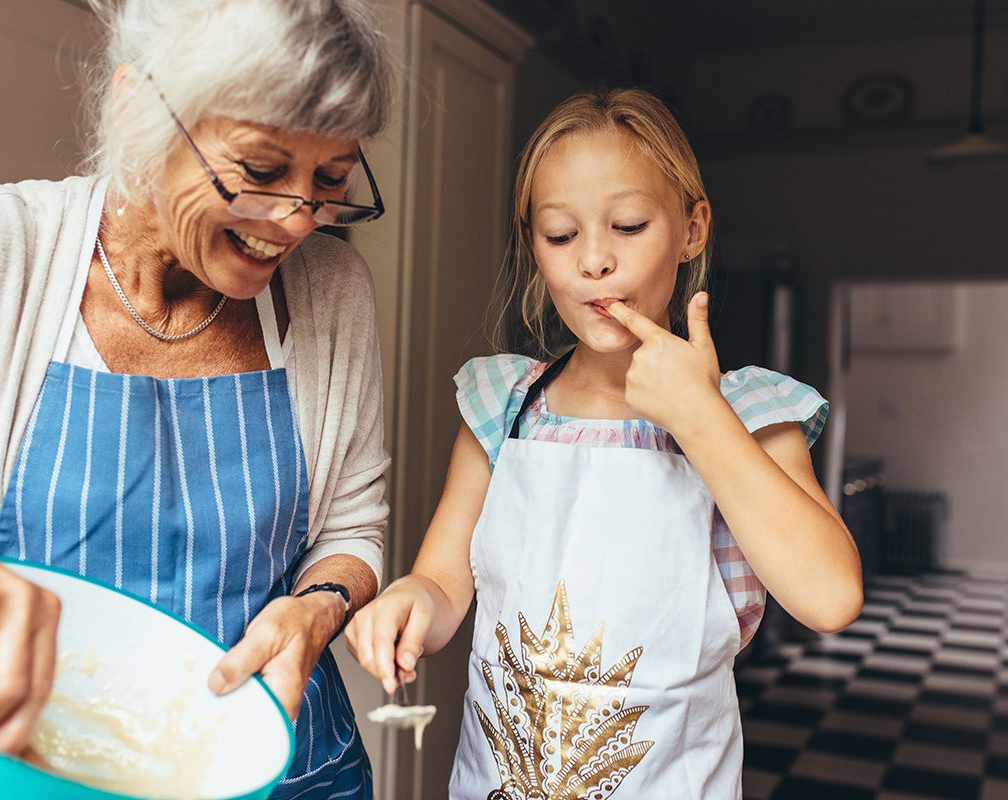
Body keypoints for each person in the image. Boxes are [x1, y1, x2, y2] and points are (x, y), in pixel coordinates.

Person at [0, 1, 392, 795]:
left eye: (330, 180)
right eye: (263, 172)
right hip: (32, 770)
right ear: (139, 111)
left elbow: (353, 521)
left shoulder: (334, 294)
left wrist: (318, 606)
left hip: (292, 773)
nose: (299, 219)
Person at [345, 88, 863, 798]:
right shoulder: (504, 406)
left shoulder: (750, 413)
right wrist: (409, 602)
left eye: (627, 225)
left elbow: (830, 598)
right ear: (535, 246)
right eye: (561, 234)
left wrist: (701, 418)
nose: (594, 260)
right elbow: (441, 585)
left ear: (692, 228)